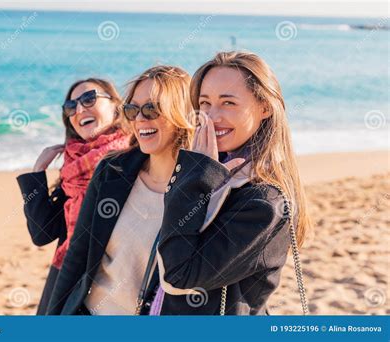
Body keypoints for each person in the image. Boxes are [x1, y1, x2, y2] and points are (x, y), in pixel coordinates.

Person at [149, 51, 312, 315]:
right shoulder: (216, 176)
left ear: (265, 108)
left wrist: (195, 176)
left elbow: (176, 275)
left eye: (228, 103)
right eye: (204, 103)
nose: (212, 116)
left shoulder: (264, 203)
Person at [46, 65, 195, 315]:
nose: (140, 119)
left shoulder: (203, 188)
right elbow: (77, 256)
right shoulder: (112, 171)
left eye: (151, 108)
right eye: (132, 109)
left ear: (180, 112)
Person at [16, 78, 130, 314]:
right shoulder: (72, 168)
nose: (79, 110)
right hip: (65, 276)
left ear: (116, 105)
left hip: (110, 282)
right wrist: (38, 173)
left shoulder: (134, 158)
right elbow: (42, 234)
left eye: (89, 99)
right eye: (71, 106)